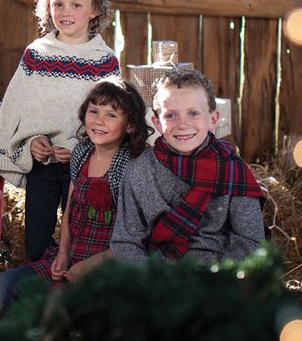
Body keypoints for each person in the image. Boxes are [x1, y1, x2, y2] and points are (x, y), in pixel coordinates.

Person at [0, 0, 120, 262]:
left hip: (85, 167)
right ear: (47, 7)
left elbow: (113, 116)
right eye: (58, 3)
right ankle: (44, 286)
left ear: (95, 9)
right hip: (43, 166)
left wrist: (79, 146)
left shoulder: (104, 61)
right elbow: (16, 107)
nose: (65, 11)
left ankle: (71, 295)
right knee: (35, 244)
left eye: (76, 5)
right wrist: (29, 141)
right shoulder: (37, 54)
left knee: (80, 238)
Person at [0, 78, 150, 316]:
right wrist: (63, 254)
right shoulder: (82, 153)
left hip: (110, 264)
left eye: (111, 115)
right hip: (75, 255)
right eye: (94, 111)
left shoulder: (130, 167)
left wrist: (88, 266)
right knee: (10, 283)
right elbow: (70, 209)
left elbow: (134, 239)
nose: (99, 120)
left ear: (130, 125)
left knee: (74, 307)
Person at [110, 69, 265, 263]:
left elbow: (250, 240)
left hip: (218, 275)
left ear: (213, 120)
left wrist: (218, 280)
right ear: (157, 124)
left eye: (193, 113)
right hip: (158, 275)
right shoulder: (139, 170)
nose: (183, 124)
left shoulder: (233, 170)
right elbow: (126, 242)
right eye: (171, 115)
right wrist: (150, 282)